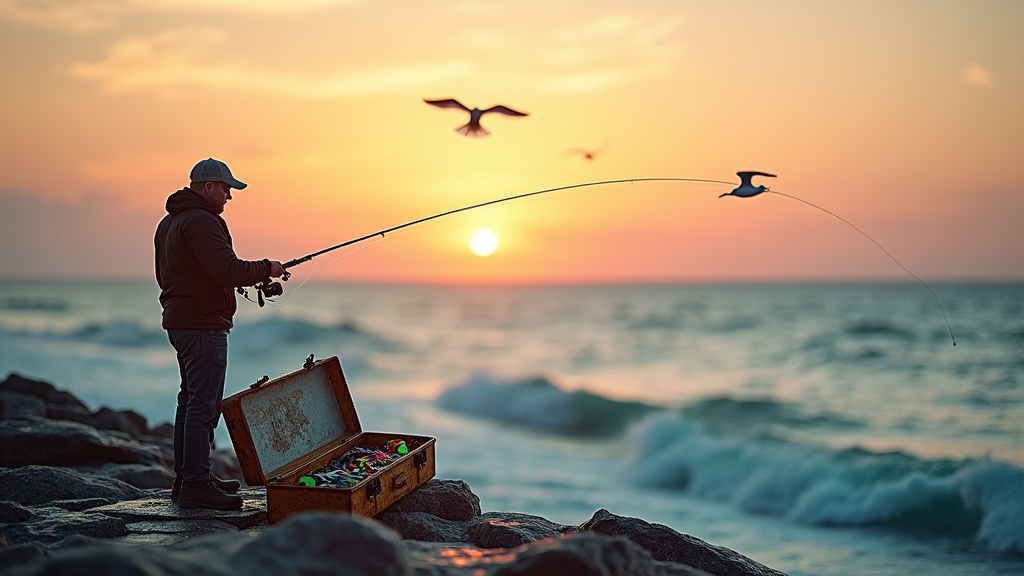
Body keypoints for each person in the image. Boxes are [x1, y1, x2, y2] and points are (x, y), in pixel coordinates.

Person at [154, 158, 286, 510]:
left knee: (191, 402)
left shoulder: (170, 222)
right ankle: (195, 486)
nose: (229, 195)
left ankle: (189, 478)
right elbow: (226, 269)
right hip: (202, 325)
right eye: (226, 188)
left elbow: (188, 274)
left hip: (181, 322)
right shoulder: (202, 221)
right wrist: (266, 268)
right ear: (208, 187)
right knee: (203, 405)